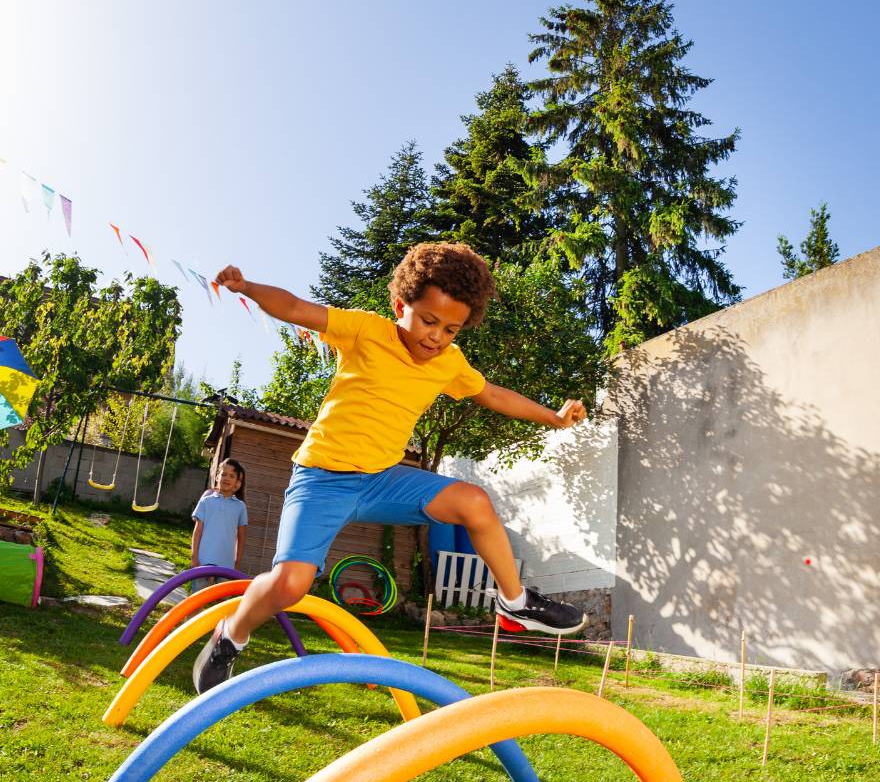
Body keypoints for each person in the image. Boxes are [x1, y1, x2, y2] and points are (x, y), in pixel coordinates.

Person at [192, 243, 589, 695]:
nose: (436, 337)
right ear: (402, 306)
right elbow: (298, 307)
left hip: (382, 480)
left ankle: (514, 602)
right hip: (322, 479)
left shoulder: (448, 363)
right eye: (428, 321)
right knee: (291, 584)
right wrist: (248, 288)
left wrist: (554, 418)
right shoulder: (365, 330)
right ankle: (232, 635)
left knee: (474, 502)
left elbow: (495, 395)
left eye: (451, 329)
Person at [190, 458, 248, 591]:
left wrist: (237, 564)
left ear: (237, 482)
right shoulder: (206, 501)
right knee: (196, 599)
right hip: (203, 560)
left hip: (227, 563)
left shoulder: (240, 507)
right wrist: (194, 557)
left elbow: (242, 537)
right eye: (224, 474)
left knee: (222, 600)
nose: (227, 478)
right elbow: (197, 530)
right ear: (217, 477)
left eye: (232, 476)